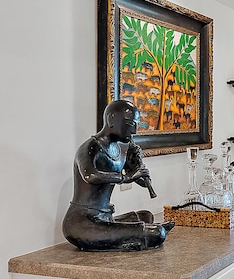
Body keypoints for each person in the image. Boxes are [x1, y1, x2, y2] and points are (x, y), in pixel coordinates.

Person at [63, 100, 174, 251]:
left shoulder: (121, 148)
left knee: (146, 216)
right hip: (82, 223)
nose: (133, 131)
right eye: (130, 125)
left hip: (105, 217)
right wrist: (125, 178)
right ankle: (146, 233)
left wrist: (139, 174)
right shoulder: (90, 147)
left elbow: (133, 175)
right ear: (111, 120)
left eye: (136, 125)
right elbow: (90, 176)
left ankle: (142, 231)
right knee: (157, 234)